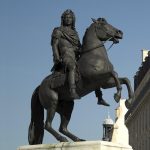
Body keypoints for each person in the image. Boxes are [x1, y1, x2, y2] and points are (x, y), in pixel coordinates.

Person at [51, 9, 81, 99]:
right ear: (63, 19)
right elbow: (54, 45)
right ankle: (72, 90)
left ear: (73, 20)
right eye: (66, 17)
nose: (68, 19)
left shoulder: (75, 33)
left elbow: (79, 46)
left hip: (76, 56)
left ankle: (99, 96)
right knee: (71, 66)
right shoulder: (58, 31)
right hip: (65, 56)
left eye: (70, 18)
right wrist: (56, 57)